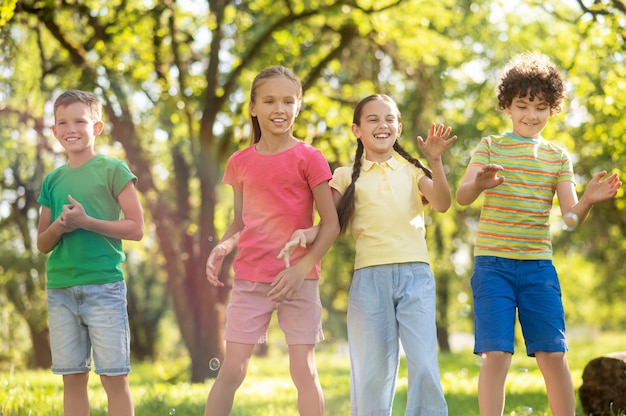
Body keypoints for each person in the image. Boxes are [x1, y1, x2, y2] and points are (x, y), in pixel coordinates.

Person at [455, 52, 622, 416]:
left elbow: (570, 219)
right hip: (493, 266)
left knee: (553, 352)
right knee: (496, 352)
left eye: (541, 107)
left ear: (553, 109)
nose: (531, 115)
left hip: (537, 268)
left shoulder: (557, 156)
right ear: (507, 106)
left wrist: (589, 200)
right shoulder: (489, 146)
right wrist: (479, 183)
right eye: (523, 105)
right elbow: (461, 196)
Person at [283, 93, 455, 415]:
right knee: (372, 373)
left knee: (424, 365)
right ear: (357, 130)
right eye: (372, 119)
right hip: (369, 280)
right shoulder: (345, 176)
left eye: (389, 119)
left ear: (399, 127)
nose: (382, 124)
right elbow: (328, 224)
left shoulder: (413, 171)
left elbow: (443, 203)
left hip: (416, 276)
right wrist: (305, 234)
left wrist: (434, 160)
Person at [203, 66, 339, 416]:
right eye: (269, 101)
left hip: (299, 281)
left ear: (298, 107)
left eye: (287, 101)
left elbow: (331, 224)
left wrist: (302, 269)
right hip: (250, 281)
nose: (279, 108)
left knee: (303, 371)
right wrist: (223, 246)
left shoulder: (310, 157)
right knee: (232, 369)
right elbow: (240, 222)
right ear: (253, 107)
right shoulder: (239, 162)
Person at [36, 90, 144, 416]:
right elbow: (43, 243)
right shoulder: (52, 181)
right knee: (72, 377)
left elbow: (136, 228)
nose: (71, 128)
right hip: (61, 290)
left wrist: (86, 221)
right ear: (54, 131)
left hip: (104, 287)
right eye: (63, 122)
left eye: (80, 121)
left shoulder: (113, 169)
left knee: (114, 377)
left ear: (96, 127)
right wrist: (61, 226)